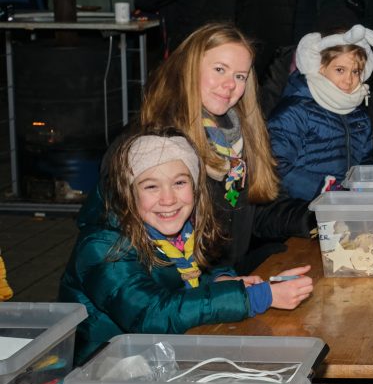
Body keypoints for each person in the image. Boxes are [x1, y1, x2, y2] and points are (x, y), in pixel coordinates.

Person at [59, 129, 313, 364]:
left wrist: (220, 281)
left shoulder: (182, 228)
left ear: (195, 186)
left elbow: (181, 279)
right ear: (128, 192)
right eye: (151, 186)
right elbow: (152, 314)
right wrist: (253, 298)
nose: (168, 199)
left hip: (159, 358)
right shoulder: (103, 247)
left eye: (179, 183)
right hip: (104, 370)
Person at [138, 23, 314, 274]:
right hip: (186, 282)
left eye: (240, 76)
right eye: (219, 69)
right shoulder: (157, 143)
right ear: (189, 68)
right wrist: (221, 284)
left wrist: (317, 218)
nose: (230, 84)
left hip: (227, 276)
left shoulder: (240, 135)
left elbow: (257, 213)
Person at [267, 26, 373, 200]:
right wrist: (322, 189)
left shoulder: (359, 116)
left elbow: (364, 160)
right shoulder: (295, 112)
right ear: (320, 66)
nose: (349, 80)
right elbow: (275, 165)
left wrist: (370, 182)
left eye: (356, 71)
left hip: (345, 203)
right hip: (302, 206)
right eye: (340, 70)